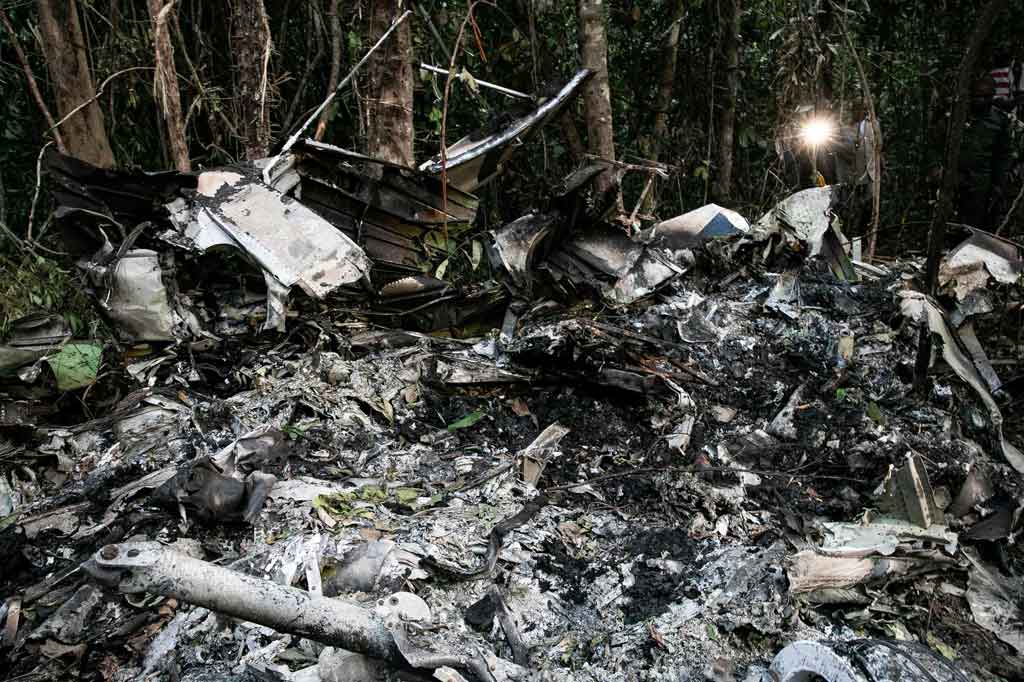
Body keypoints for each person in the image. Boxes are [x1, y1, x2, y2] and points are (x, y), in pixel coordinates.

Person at [958, 73, 1012, 230]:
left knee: (977, 225)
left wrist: (999, 185)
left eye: (986, 96)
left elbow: (1002, 155)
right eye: (977, 95)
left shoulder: (999, 120)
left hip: (981, 184)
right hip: (955, 180)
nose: (981, 100)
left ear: (992, 96)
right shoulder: (958, 114)